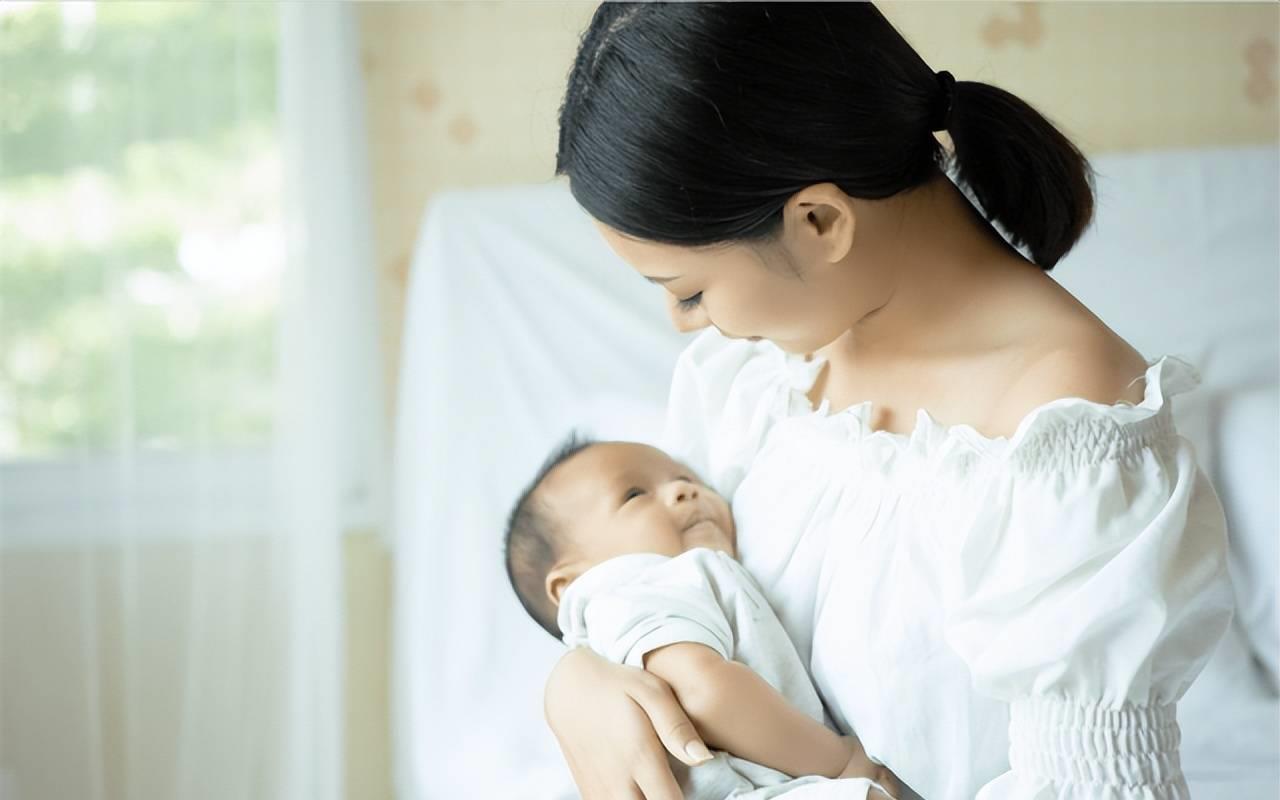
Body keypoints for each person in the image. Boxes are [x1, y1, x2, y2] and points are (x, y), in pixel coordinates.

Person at [542, 3, 1235, 799]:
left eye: (690, 290)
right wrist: (577, 681)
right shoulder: (759, 383)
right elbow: (657, 588)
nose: (683, 323)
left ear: (818, 221)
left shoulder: (1067, 445)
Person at [503, 436, 901, 799]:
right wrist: (839, 760)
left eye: (686, 477)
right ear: (568, 583)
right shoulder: (637, 585)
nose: (683, 489)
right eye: (634, 494)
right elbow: (703, 692)